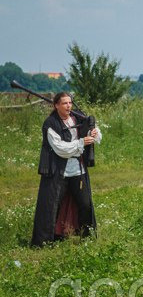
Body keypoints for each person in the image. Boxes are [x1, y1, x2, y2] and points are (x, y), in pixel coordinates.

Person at [31, 92, 102, 246]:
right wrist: (81, 143)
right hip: (58, 172)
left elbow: (91, 133)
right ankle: (47, 241)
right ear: (56, 105)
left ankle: (87, 237)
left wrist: (93, 133)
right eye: (64, 103)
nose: (68, 106)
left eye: (70, 102)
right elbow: (60, 148)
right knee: (52, 205)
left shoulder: (78, 118)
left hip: (78, 170)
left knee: (85, 204)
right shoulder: (50, 124)